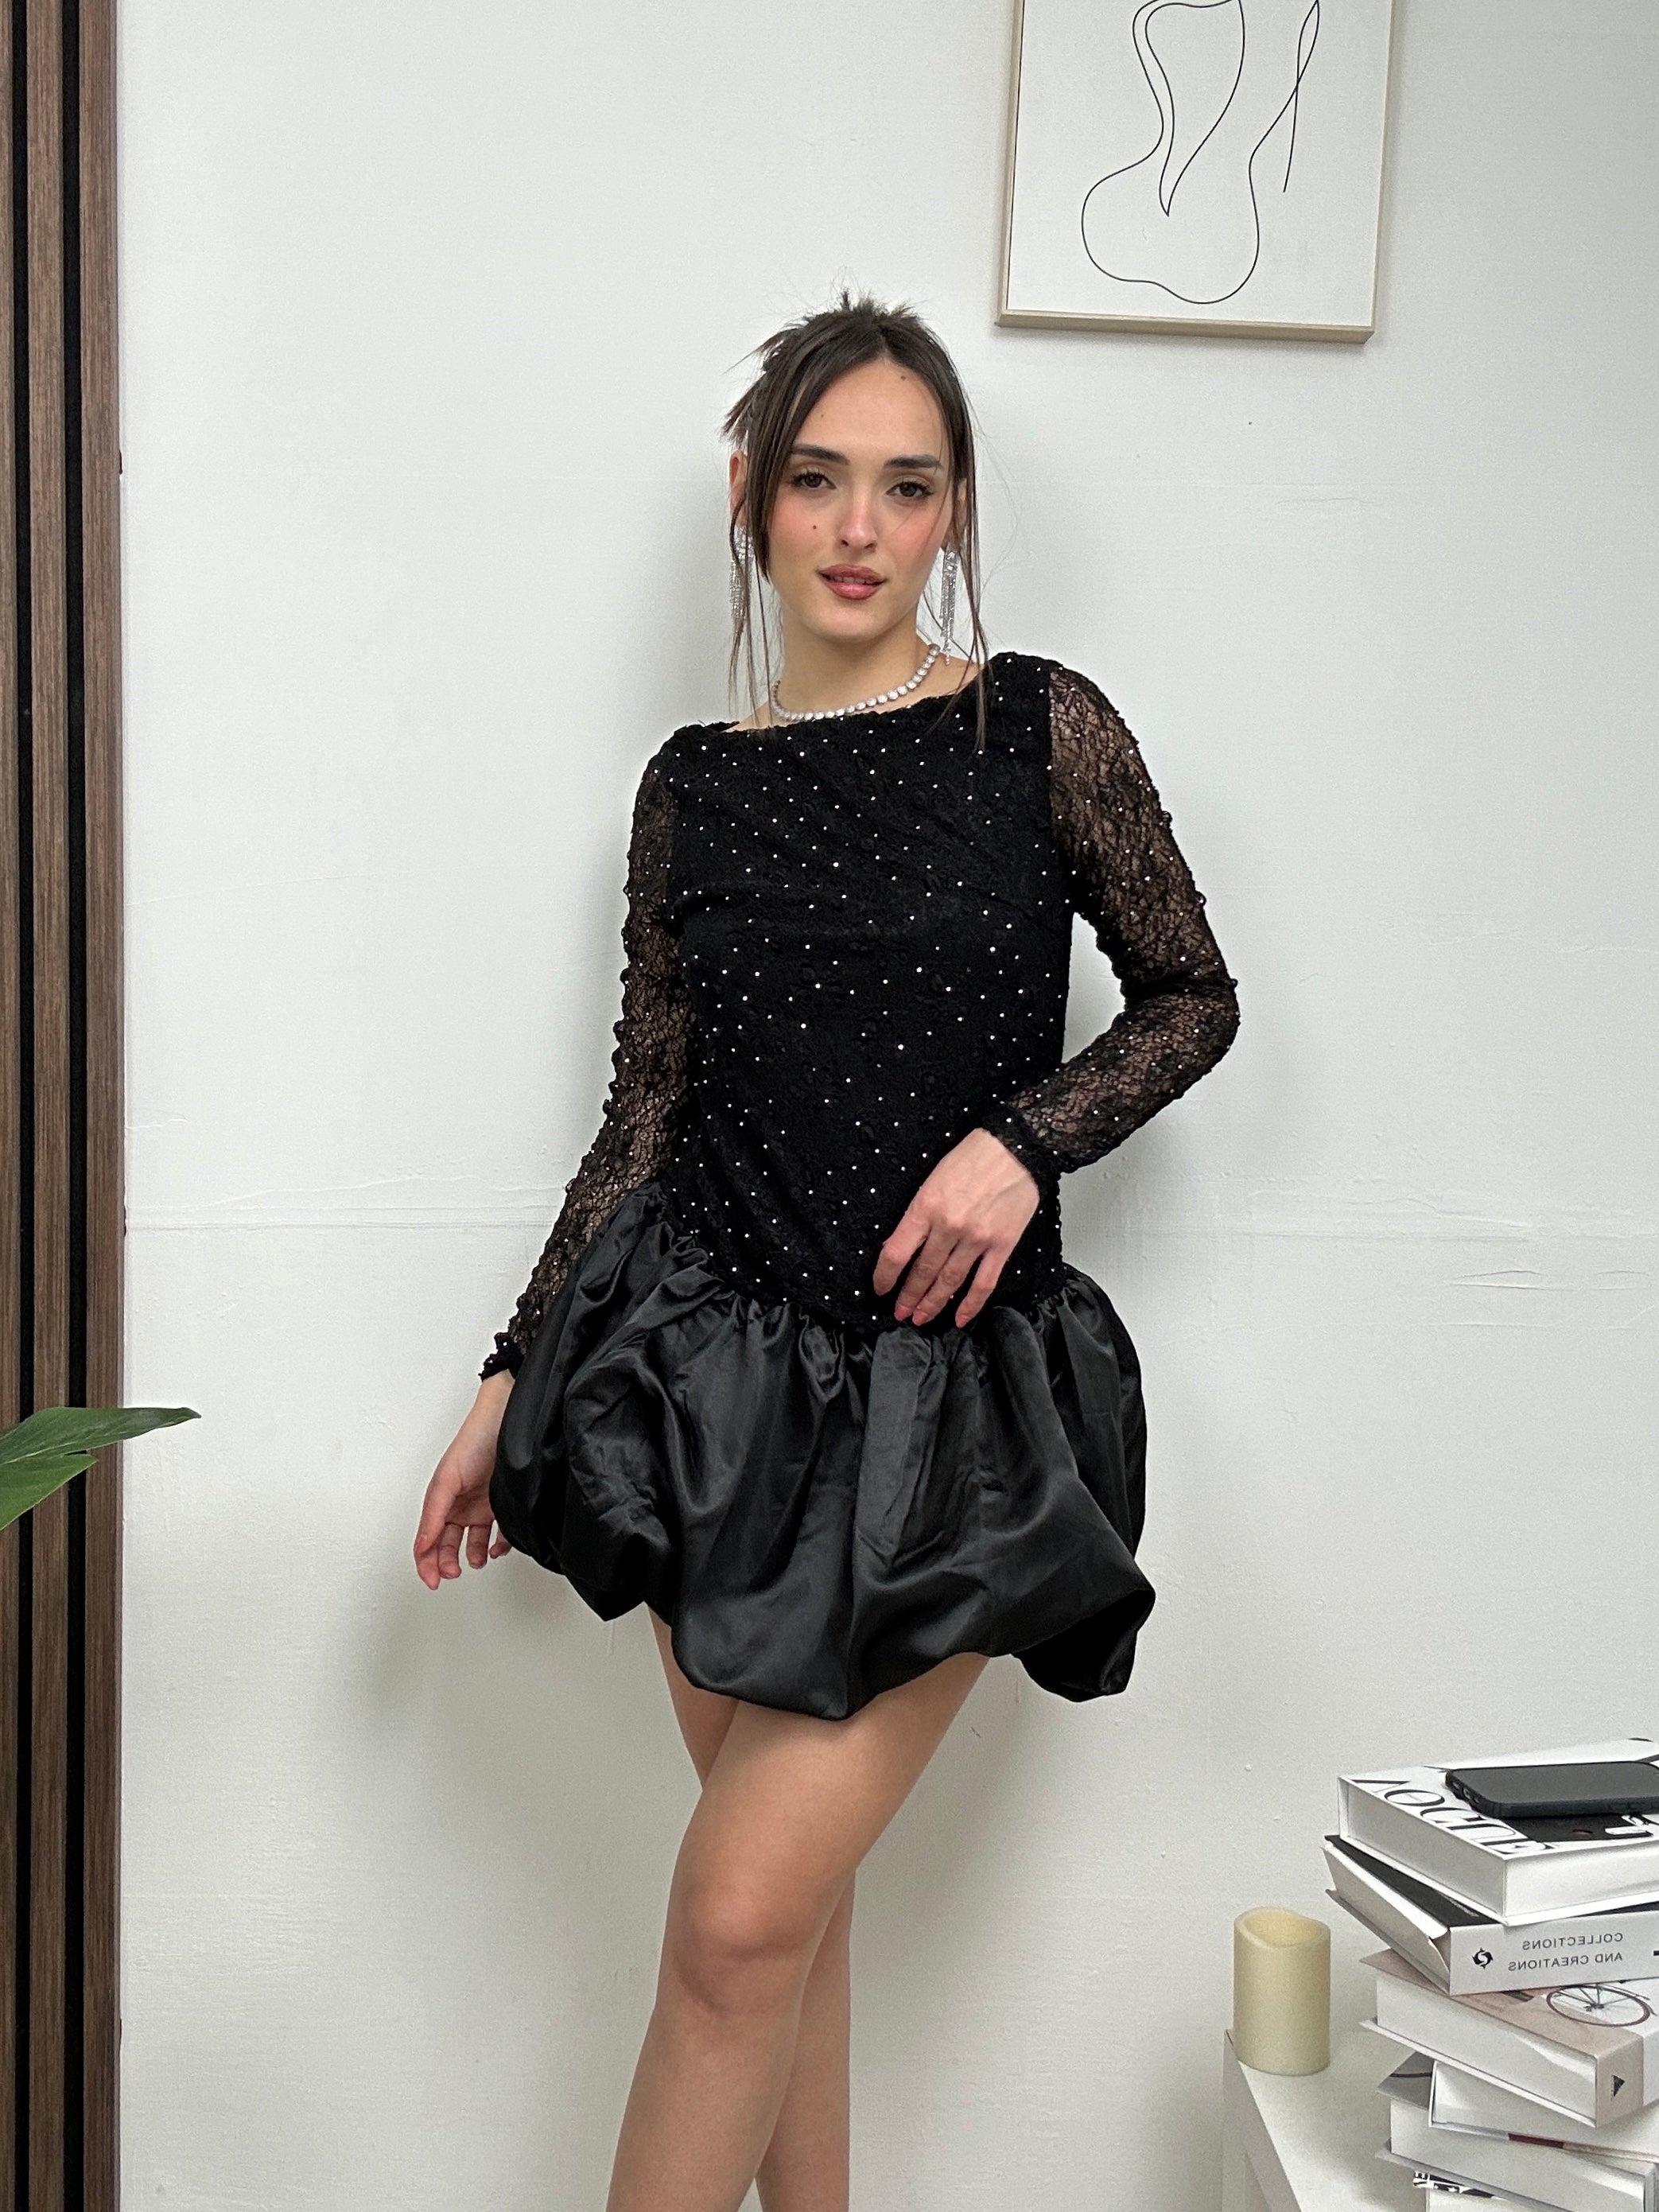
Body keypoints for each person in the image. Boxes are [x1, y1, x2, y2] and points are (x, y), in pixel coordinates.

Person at [413, 287, 1239, 2212]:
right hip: (708, 1392)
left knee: (732, 1925)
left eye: (908, 485)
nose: (860, 526)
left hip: (944, 1417)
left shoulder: (1039, 726)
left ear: (952, 510)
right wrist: (507, 1373)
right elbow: (645, 1110)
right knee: (786, 1931)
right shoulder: (690, 784)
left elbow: (1187, 994)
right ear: (749, 496)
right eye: (816, 478)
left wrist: (1020, 1145)